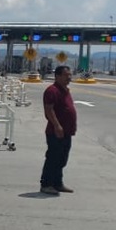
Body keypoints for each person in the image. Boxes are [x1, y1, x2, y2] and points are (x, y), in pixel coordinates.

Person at [40, 64, 76, 195]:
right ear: (57, 76)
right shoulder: (52, 90)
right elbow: (49, 110)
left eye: (70, 75)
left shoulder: (65, 90)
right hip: (56, 131)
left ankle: (58, 183)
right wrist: (57, 125)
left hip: (67, 131)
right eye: (66, 75)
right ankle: (46, 184)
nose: (69, 77)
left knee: (62, 159)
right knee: (53, 158)